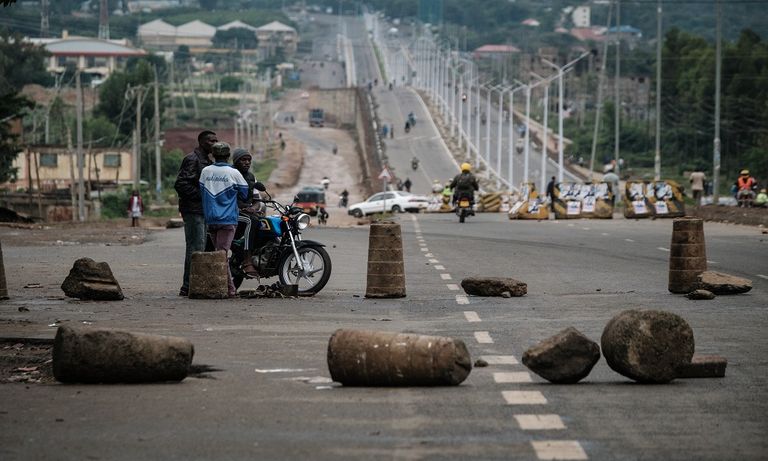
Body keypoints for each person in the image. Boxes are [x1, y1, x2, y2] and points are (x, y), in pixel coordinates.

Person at [199, 142, 249, 298]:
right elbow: (244, 194)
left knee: (218, 254)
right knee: (222, 255)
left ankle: (222, 286)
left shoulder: (206, 171)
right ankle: (230, 289)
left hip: (211, 219)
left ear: (213, 155)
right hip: (228, 219)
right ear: (228, 156)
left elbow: (202, 190)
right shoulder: (233, 172)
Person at [175, 130, 217, 297]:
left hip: (202, 210)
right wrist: (203, 195)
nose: (214, 144)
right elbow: (181, 184)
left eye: (216, 141)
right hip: (193, 210)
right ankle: (188, 286)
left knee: (201, 247)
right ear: (201, 142)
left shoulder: (207, 161)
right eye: (211, 141)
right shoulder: (193, 159)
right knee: (195, 247)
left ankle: (193, 284)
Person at [232, 148, 263, 278]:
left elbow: (257, 200)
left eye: (249, 160)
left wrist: (253, 208)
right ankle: (247, 260)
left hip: (247, 212)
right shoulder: (230, 174)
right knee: (252, 220)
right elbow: (226, 197)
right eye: (243, 160)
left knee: (264, 222)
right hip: (232, 212)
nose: (247, 162)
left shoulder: (251, 177)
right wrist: (240, 208)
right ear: (236, 161)